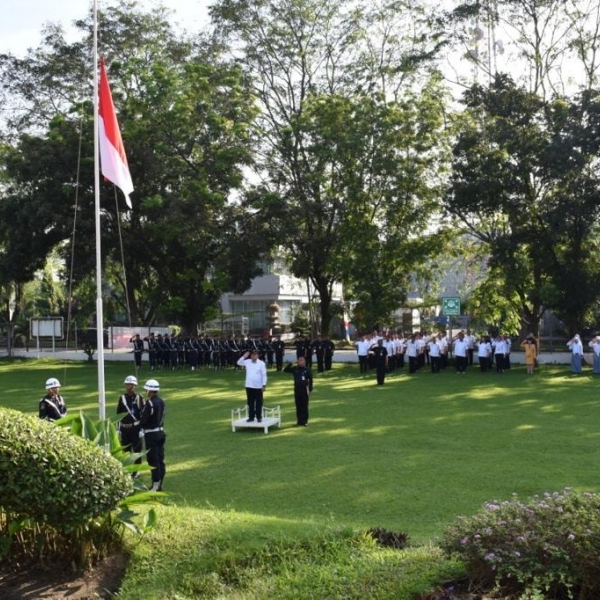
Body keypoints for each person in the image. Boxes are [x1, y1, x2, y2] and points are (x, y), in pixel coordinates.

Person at [140, 379, 166, 492]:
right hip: (160, 433)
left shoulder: (149, 403)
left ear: (150, 391)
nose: (146, 392)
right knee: (160, 459)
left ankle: (156, 485)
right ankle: (160, 482)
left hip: (151, 434)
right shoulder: (162, 401)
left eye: (147, 390)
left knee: (153, 460)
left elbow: (144, 420)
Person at [117, 375, 145, 476]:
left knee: (137, 451)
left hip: (135, 428)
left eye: (130, 385)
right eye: (127, 384)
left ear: (134, 386)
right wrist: (118, 428)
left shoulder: (139, 398)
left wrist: (142, 429)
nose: (128, 386)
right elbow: (118, 414)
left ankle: (136, 471)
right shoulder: (122, 398)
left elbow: (143, 414)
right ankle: (127, 470)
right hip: (124, 428)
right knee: (125, 451)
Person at [237, 349, 268, 422]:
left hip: (258, 386)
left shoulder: (261, 363)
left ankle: (259, 417)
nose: (254, 356)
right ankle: (251, 417)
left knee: (259, 402)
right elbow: (238, 362)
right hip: (249, 385)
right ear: (251, 355)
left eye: (255, 354)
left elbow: (264, 375)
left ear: (257, 355)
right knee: (250, 402)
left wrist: (264, 385)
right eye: (253, 354)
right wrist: (244, 356)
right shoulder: (247, 362)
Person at [284, 356, 313, 426]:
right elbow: (285, 370)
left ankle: (305, 421)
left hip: (304, 390)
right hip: (297, 389)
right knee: (298, 405)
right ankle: (299, 421)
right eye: (299, 360)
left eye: (301, 360)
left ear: (304, 361)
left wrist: (310, 389)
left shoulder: (307, 370)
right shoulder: (295, 369)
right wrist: (292, 363)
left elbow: (311, 380)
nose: (300, 361)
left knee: (304, 406)